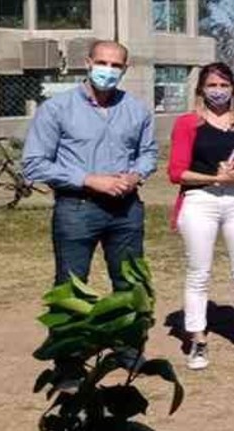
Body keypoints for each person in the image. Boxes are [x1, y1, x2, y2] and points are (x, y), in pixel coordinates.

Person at [22, 40, 157, 390]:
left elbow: (148, 153)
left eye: (116, 65)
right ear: (87, 63)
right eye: (102, 62)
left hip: (126, 210)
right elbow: (35, 163)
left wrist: (135, 174)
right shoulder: (57, 109)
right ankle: (68, 362)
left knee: (130, 284)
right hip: (77, 207)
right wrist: (88, 179)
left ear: (125, 69)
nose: (108, 70)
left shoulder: (137, 110)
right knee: (70, 287)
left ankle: (128, 351)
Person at [166, 63, 234, 370]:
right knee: (199, 273)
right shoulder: (188, 123)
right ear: (201, 89)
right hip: (200, 200)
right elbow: (176, 172)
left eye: (224, 86)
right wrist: (215, 178)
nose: (219, 91)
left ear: (233, 89)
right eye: (212, 85)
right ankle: (197, 338)